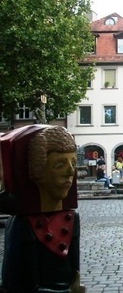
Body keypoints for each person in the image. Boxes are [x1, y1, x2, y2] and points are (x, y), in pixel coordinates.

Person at [0, 124, 85, 292]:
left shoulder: (71, 218)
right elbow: (19, 285)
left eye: (73, 163)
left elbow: (75, 273)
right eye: (60, 165)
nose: (70, 172)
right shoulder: (22, 224)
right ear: (37, 172)